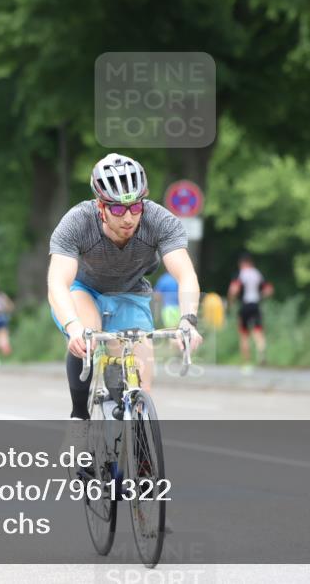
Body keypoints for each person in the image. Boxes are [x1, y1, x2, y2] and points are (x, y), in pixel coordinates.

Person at [48, 152, 203, 427]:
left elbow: (185, 274)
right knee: (89, 336)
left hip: (131, 292)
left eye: (135, 207)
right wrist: (72, 327)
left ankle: (137, 447)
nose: (129, 217)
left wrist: (188, 320)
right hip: (85, 290)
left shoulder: (159, 220)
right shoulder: (77, 222)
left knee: (141, 383)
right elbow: (57, 281)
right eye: (118, 209)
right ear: (100, 207)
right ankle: (79, 418)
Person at [228, 253, 274, 366]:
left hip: (244, 306)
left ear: (242, 263)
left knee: (244, 334)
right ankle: (261, 354)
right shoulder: (257, 273)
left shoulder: (241, 274)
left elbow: (234, 290)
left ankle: (246, 361)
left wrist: (231, 302)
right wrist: (260, 296)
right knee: (258, 331)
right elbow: (269, 290)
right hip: (256, 305)